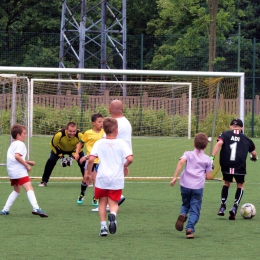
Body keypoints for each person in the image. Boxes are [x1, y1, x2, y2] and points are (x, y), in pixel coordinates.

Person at [85, 117, 133, 236]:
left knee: (102, 202)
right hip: (116, 178)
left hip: (102, 177)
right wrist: (124, 165)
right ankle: (113, 215)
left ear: (104, 130)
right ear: (116, 130)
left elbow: (91, 159)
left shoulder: (99, 143)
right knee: (114, 203)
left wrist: (89, 173)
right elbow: (130, 159)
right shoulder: (121, 143)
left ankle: (103, 227)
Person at [211, 118, 257, 220]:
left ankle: (222, 206)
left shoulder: (225, 134)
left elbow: (219, 143)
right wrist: (254, 157)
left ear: (230, 126)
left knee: (226, 183)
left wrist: (211, 159)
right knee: (240, 185)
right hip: (239, 166)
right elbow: (254, 152)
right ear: (241, 128)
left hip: (226, 164)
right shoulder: (246, 139)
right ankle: (235, 207)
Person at [91, 99, 132, 212]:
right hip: (123, 155)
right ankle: (114, 199)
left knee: (96, 174)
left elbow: (105, 141)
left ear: (109, 110)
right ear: (122, 109)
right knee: (112, 178)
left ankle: (107, 203)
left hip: (113, 156)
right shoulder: (126, 122)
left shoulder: (112, 123)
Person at [170, 133, 212, 239]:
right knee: (195, 209)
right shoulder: (208, 159)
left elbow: (181, 163)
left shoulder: (188, 154)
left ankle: (183, 214)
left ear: (194, 143)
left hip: (185, 184)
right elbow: (208, 176)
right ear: (206, 146)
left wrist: (175, 177)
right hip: (198, 187)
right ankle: (189, 229)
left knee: (185, 203)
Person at [1, 124, 48, 217]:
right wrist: (26, 165)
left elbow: (14, 158)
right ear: (18, 135)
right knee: (29, 187)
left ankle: (5, 209)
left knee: (16, 190)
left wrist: (28, 161)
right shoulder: (20, 144)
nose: (25, 136)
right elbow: (17, 156)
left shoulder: (13, 144)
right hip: (19, 171)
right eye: (24, 133)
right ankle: (36, 208)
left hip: (11, 171)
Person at [39, 122, 85, 187]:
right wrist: (61, 156)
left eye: (74, 131)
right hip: (59, 149)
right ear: (66, 129)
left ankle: (86, 180)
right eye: (70, 131)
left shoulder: (80, 135)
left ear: (76, 130)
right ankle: (44, 181)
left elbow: (82, 145)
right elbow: (53, 145)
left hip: (74, 149)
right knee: (51, 160)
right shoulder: (59, 134)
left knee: (83, 161)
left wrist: (73, 155)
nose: (72, 133)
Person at [74, 113, 104, 205]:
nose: (101, 123)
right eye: (99, 122)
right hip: (90, 160)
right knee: (86, 177)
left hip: (100, 161)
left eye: (102, 122)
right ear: (93, 123)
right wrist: (76, 153)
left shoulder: (105, 132)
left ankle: (95, 197)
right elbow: (80, 143)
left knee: (96, 179)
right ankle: (82, 194)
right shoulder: (88, 133)